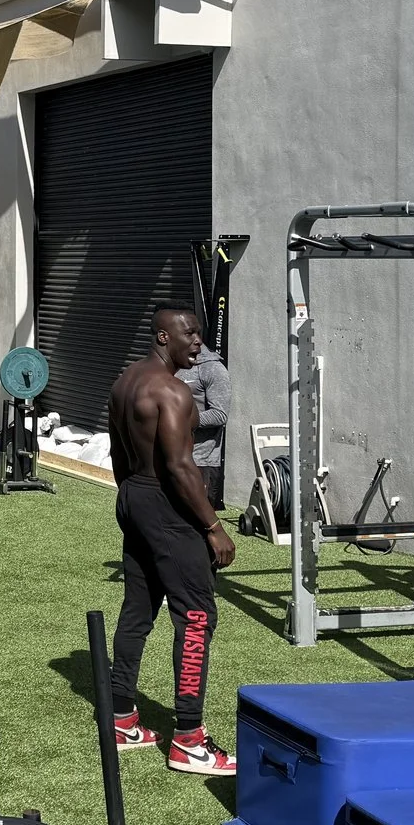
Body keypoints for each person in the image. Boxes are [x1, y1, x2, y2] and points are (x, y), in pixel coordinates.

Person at [105, 306, 238, 776]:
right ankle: (189, 739)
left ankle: (121, 720)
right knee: (197, 615)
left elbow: (118, 452)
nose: (197, 342)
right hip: (166, 504)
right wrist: (213, 527)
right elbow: (181, 468)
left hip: (133, 496)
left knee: (137, 611)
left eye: (199, 334)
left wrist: (135, 501)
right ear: (164, 336)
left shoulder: (124, 382)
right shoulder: (174, 392)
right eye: (190, 334)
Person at [177, 338, 231, 509]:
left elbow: (220, 414)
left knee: (197, 520)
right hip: (171, 456)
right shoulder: (171, 365)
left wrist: (178, 422)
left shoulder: (212, 368)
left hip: (200, 461)